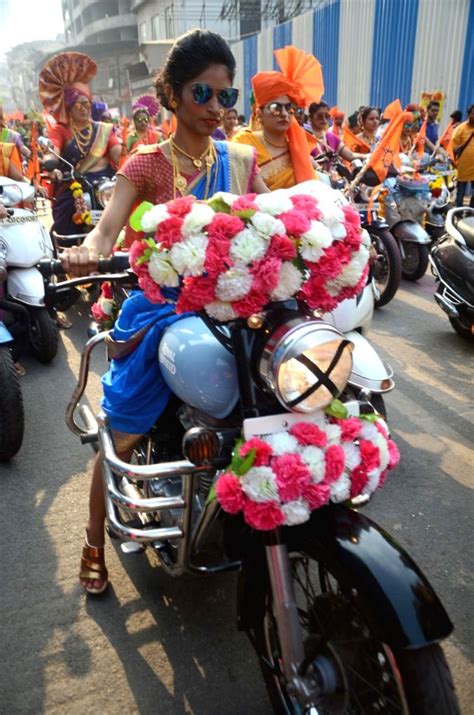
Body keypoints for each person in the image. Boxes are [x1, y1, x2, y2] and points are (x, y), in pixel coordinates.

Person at [60, 29, 268, 595]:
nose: (217, 109)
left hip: (236, 310)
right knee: (121, 435)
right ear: (173, 95)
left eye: (227, 97)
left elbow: (278, 221)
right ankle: (93, 539)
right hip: (160, 312)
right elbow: (105, 233)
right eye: (204, 94)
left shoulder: (242, 159)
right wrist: (89, 251)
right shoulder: (146, 164)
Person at [38, 52, 122, 238]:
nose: (84, 109)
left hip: (106, 186)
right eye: (79, 105)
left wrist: (135, 155)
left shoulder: (104, 129)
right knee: (66, 218)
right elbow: (52, 150)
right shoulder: (60, 130)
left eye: (87, 104)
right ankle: (67, 251)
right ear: (68, 107)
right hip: (73, 183)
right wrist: (50, 161)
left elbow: (119, 153)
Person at [233, 45, 321, 189]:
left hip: (303, 209)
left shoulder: (296, 148)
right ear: (259, 114)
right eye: (276, 108)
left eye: (289, 108)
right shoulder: (244, 143)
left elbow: (314, 184)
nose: (284, 114)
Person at [309, 101, 368, 170]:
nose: (324, 119)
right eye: (320, 116)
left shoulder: (331, 137)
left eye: (327, 116)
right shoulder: (304, 136)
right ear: (311, 117)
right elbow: (306, 158)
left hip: (331, 178)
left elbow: (350, 155)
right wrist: (320, 170)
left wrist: (367, 156)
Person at [452, 104, 474, 207]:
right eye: (473, 114)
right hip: (463, 166)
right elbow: (454, 149)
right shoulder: (460, 129)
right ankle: (458, 212)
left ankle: (472, 213)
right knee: (461, 191)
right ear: (469, 114)